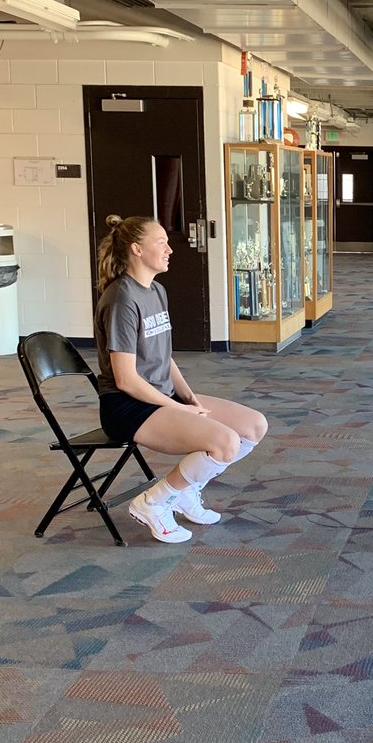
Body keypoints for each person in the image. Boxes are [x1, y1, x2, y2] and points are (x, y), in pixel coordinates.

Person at [94, 215, 268, 544]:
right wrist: (181, 410)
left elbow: (163, 354)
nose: (170, 249)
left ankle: (186, 489)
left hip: (161, 397)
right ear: (136, 249)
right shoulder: (122, 300)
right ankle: (154, 501)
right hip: (128, 407)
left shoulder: (155, 291)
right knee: (224, 443)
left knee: (253, 426)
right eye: (161, 242)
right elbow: (126, 379)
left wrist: (189, 398)